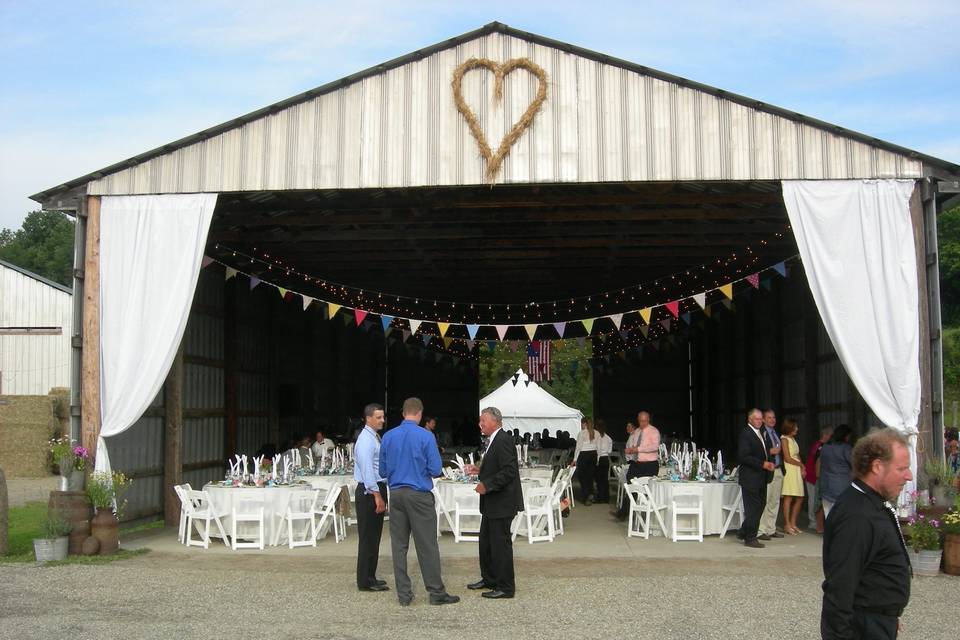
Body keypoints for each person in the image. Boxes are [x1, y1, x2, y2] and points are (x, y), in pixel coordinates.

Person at [821, 428, 913, 639]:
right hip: (862, 626)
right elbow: (840, 588)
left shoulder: (872, 504)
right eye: (902, 469)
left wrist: (888, 613)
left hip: (876, 620)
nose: (909, 476)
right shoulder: (857, 516)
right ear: (877, 467)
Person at [379, 397, 459, 607]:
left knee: (399, 546)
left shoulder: (388, 437)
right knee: (427, 545)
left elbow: (382, 471)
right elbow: (435, 469)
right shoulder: (425, 436)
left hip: (396, 493)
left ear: (403, 413)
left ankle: (404, 595)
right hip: (419, 494)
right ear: (420, 413)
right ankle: (435, 592)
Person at [463, 407, 523, 599]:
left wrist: (487, 485)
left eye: (483, 421)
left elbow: (509, 471)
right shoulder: (492, 440)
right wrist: (478, 469)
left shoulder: (504, 440)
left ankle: (505, 587)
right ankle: (489, 578)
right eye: (480, 421)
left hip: (502, 503)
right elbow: (494, 467)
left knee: (500, 545)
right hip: (492, 503)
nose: (480, 424)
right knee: (486, 543)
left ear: (495, 421)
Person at [354, 403, 389, 592]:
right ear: (368, 418)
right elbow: (367, 470)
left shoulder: (374, 437)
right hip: (369, 491)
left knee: (374, 536)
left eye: (382, 417)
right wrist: (377, 495)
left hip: (376, 487)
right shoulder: (365, 440)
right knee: (368, 537)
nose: (382, 420)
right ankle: (364, 580)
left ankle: (371, 575)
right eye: (378, 417)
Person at [737, 408, 775, 548]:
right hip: (751, 478)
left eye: (760, 419)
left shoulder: (762, 433)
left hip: (761, 477)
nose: (759, 421)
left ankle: (743, 530)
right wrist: (762, 464)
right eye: (756, 419)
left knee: (761, 505)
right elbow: (744, 456)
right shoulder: (746, 434)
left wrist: (768, 462)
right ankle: (751, 537)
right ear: (750, 419)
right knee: (753, 508)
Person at [759, 409, 784, 540]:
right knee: (766, 499)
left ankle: (771, 528)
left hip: (779, 468)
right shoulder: (762, 433)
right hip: (768, 469)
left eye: (773, 417)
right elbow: (758, 450)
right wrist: (770, 451)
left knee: (775, 500)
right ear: (763, 419)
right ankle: (761, 529)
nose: (772, 420)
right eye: (769, 418)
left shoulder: (775, 433)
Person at [819, 425, 854, 518]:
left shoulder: (825, 447)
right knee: (842, 517)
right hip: (841, 486)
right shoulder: (846, 448)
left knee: (828, 516)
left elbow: (821, 463)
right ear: (845, 436)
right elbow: (854, 463)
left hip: (825, 485)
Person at [805, 425, 833, 532]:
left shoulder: (818, 445)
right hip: (814, 476)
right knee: (813, 500)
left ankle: (815, 522)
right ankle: (813, 522)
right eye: (830, 435)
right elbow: (817, 462)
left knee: (815, 500)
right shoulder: (820, 446)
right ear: (825, 435)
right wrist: (818, 476)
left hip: (814, 475)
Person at [779, 418, 804, 535]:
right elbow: (787, 458)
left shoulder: (793, 439)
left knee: (800, 497)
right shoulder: (784, 439)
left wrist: (802, 467)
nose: (797, 429)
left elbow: (797, 454)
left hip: (796, 469)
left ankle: (793, 523)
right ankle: (787, 524)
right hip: (789, 469)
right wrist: (800, 464)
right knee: (788, 497)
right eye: (795, 427)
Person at [570, 418, 599, 505]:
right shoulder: (596, 433)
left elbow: (578, 447)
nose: (581, 425)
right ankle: (591, 493)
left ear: (584, 424)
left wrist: (574, 459)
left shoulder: (582, 433)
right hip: (593, 454)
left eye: (581, 424)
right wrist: (597, 459)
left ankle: (585, 496)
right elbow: (598, 447)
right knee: (590, 476)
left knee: (582, 476)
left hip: (584, 454)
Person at [594, 419, 613, 504]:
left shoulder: (596, 437)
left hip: (599, 459)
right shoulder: (608, 438)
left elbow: (597, 450)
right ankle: (606, 497)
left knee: (598, 479)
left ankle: (600, 497)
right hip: (605, 459)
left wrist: (596, 460)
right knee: (605, 479)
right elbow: (609, 451)